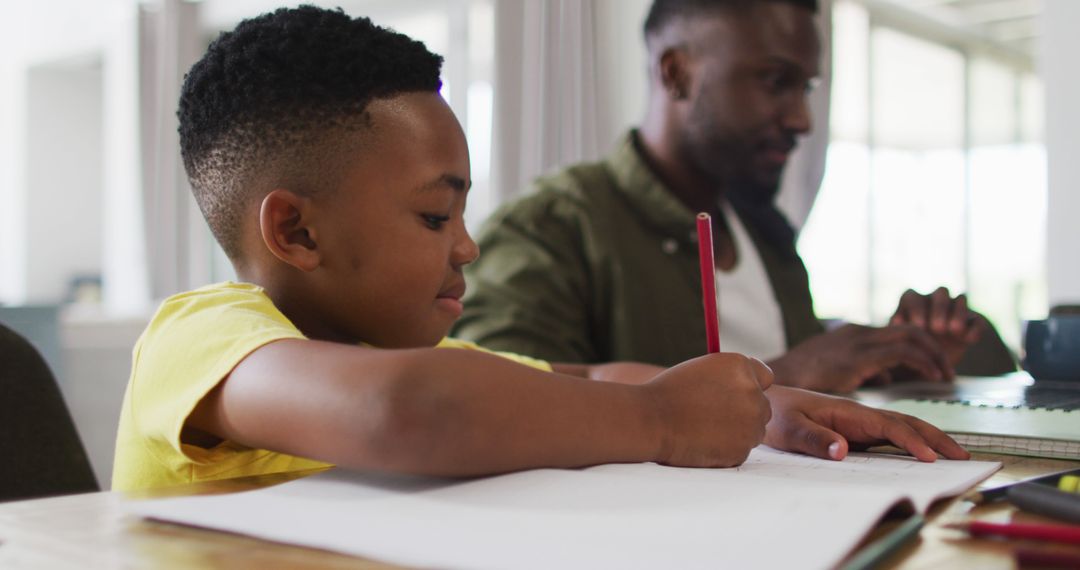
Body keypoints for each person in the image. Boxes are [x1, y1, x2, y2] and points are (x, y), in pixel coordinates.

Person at [112, 6, 968, 492]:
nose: (469, 246)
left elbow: (587, 378)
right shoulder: (210, 338)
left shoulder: (397, 349)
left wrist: (767, 404)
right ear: (296, 231)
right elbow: (407, 412)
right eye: (434, 219)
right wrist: (662, 422)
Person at [452, 0, 1015, 393]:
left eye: (807, 88)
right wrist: (784, 374)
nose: (800, 119)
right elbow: (498, 398)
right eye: (775, 81)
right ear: (676, 74)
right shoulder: (551, 227)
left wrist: (895, 363)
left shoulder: (765, 232)